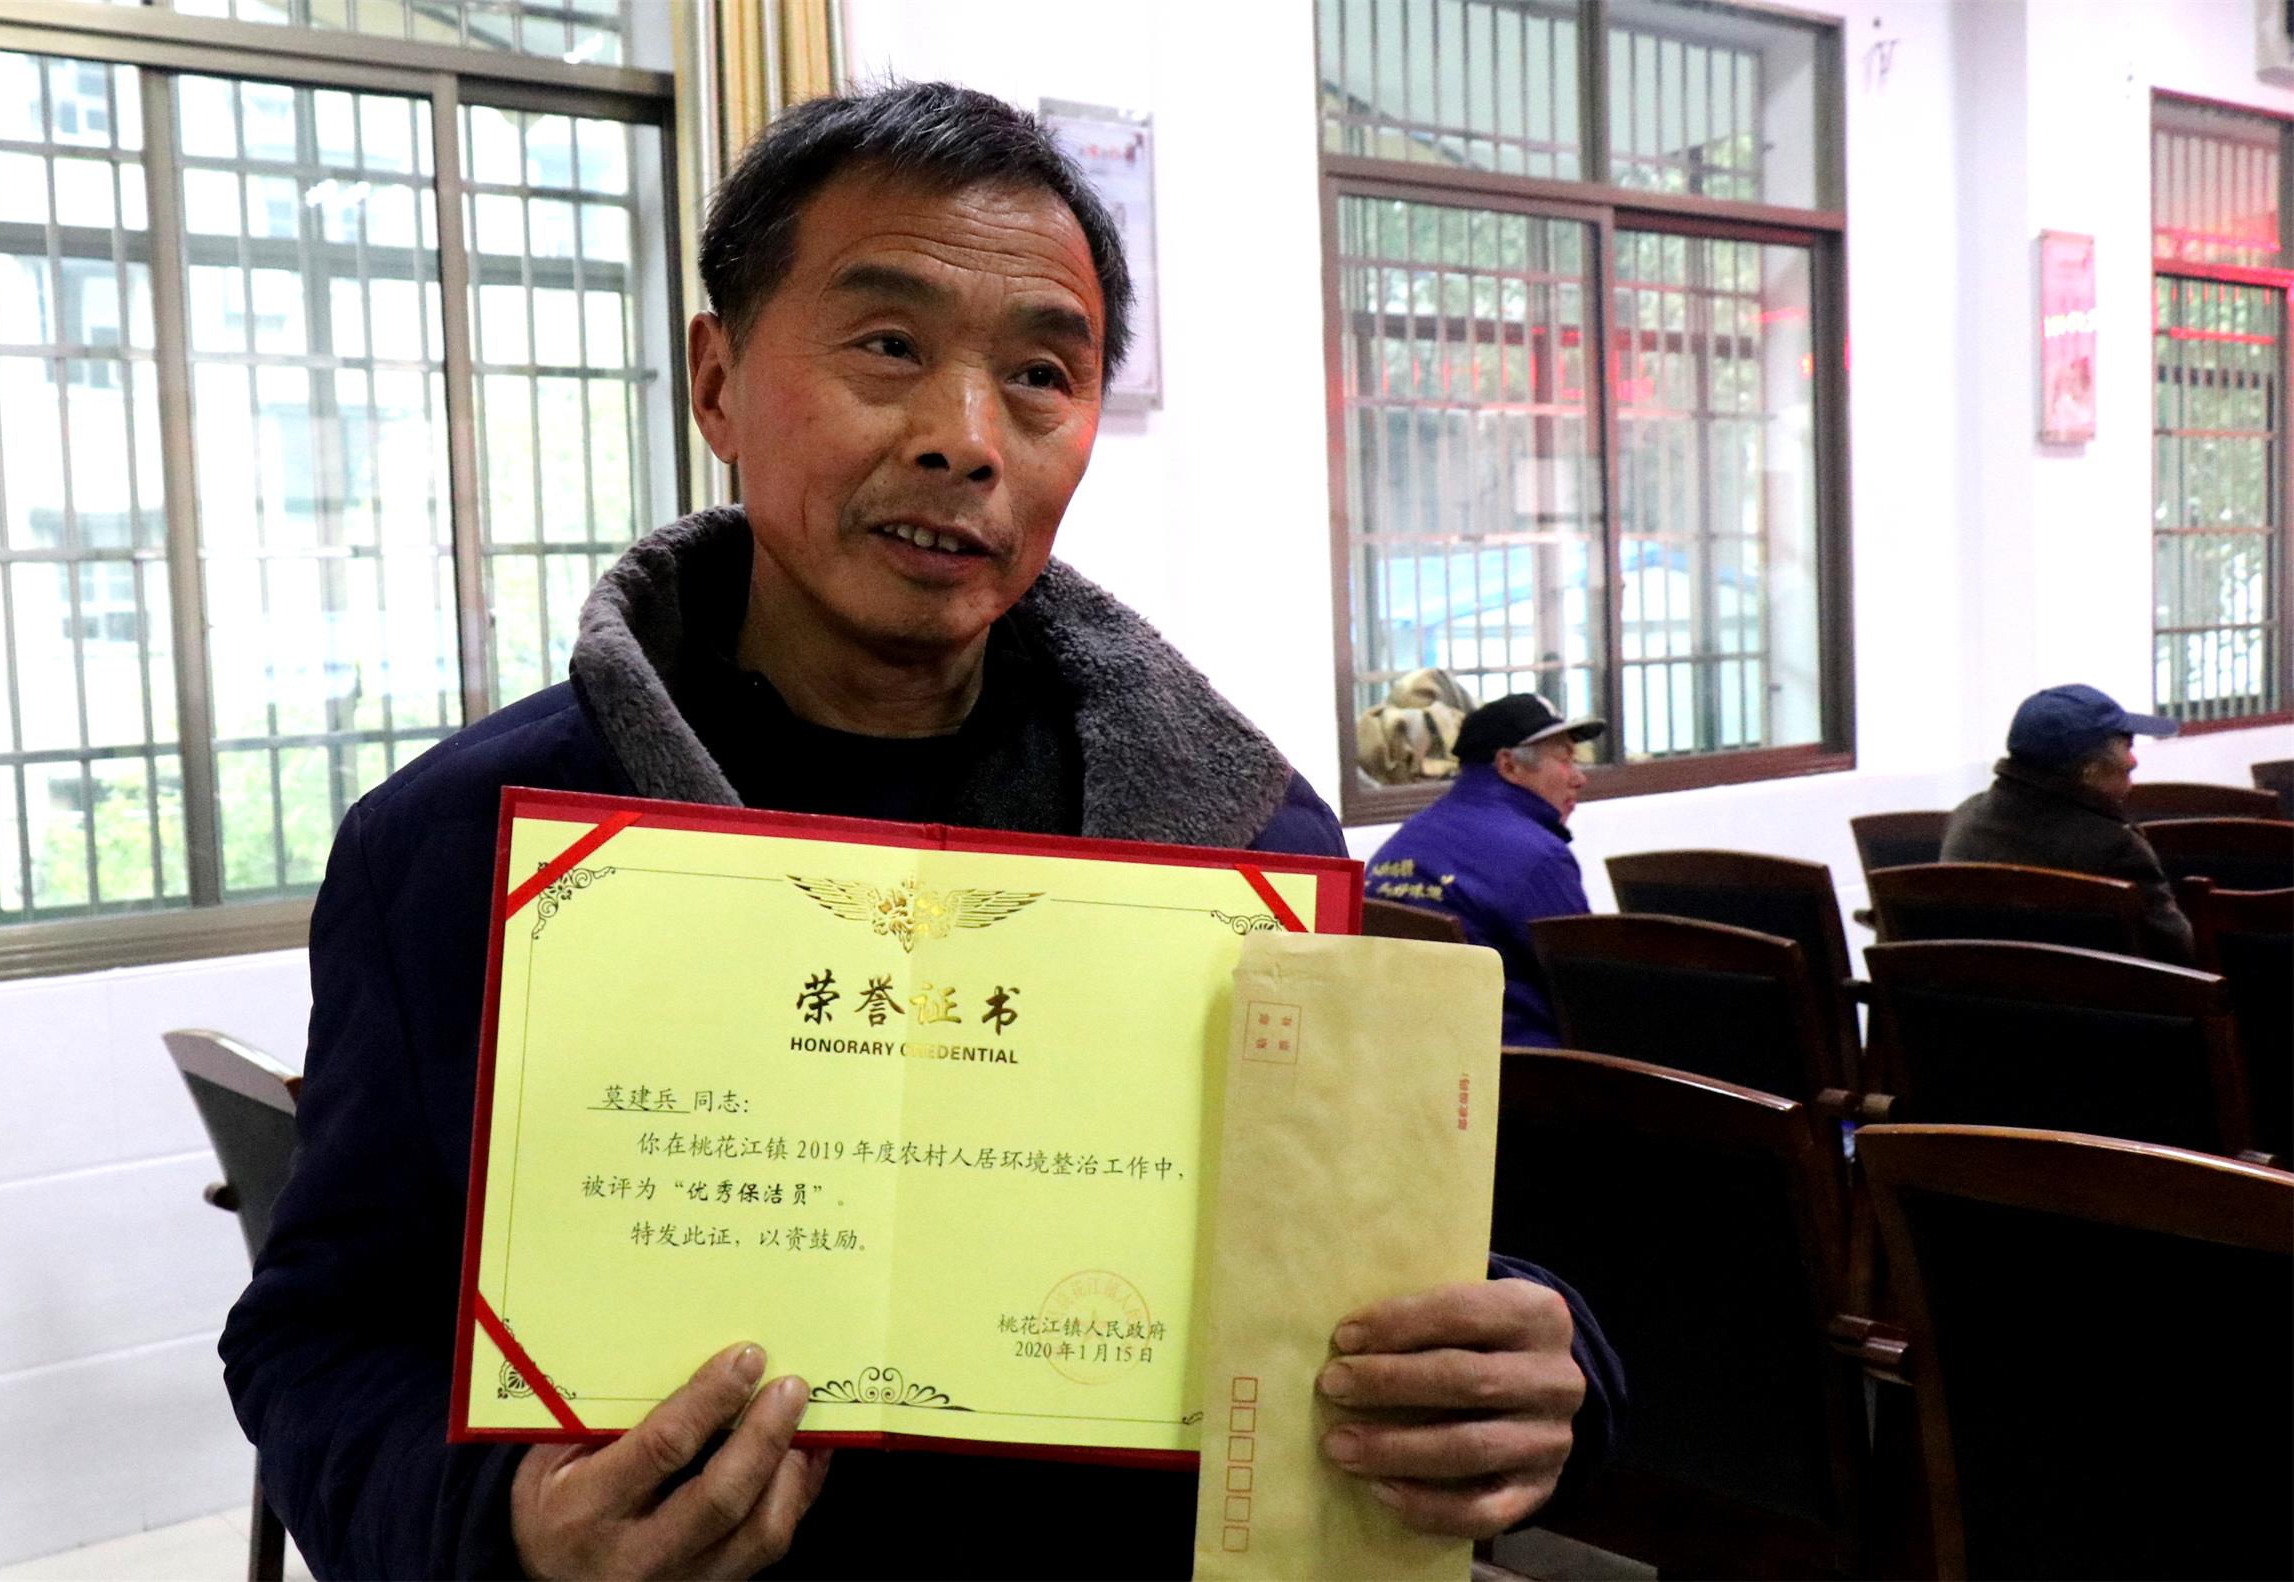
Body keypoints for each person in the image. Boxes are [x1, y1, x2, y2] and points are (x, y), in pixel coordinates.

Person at [219, 84, 1621, 1580]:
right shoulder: (460, 847)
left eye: (1039, 374)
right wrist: (503, 1528)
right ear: (718, 382)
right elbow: (321, 1339)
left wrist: (1542, 1369)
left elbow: (1391, 1271)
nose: (966, 439)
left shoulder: (1241, 846)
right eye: (888, 345)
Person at [1362, 694, 1603, 1048]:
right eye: (1566, 760)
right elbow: (1592, 993)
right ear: (1509, 765)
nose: (1579, 778)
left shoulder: (1404, 841)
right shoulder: (1538, 859)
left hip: (1407, 1057)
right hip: (1522, 1068)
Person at [1941, 683, 2193, 962]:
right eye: (2127, 745)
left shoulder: (1964, 819)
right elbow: (2178, 954)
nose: (2133, 761)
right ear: (2089, 771)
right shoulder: (2114, 848)